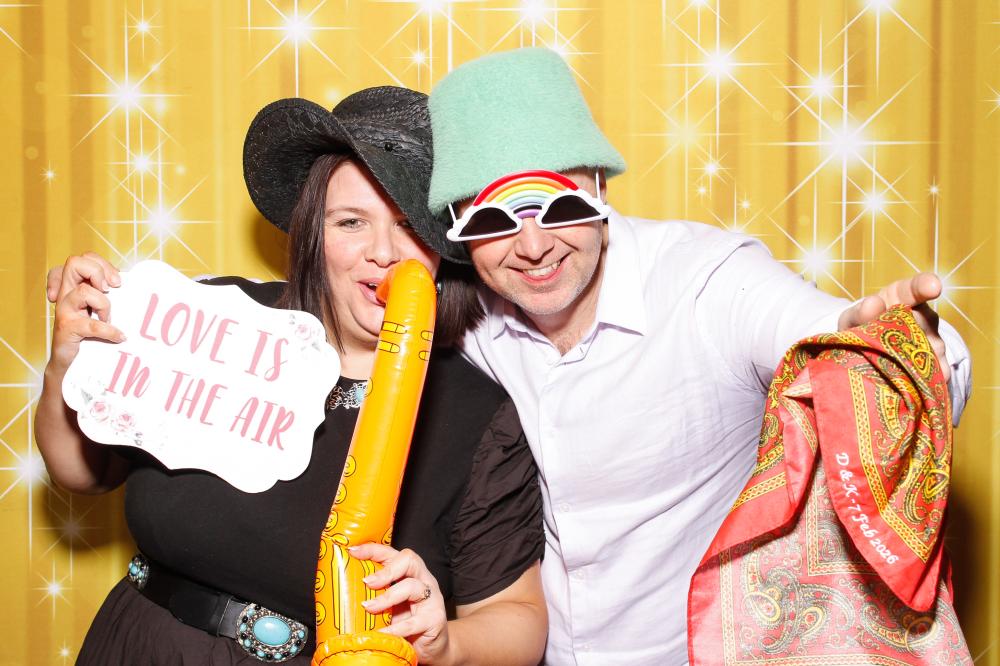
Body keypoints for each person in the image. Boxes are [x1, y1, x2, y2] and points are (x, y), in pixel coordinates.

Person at [422, 48, 973, 664]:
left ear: (599, 187)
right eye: (492, 221)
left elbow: (826, 333)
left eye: (561, 207)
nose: (532, 246)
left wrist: (901, 349)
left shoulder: (708, 283)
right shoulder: (471, 320)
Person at [35, 87, 547, 665]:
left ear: (440, 251)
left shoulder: (475, 414)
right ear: (312, 234)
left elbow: (520, 619)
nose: (383, 253)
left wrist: (447, 644)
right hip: (142, 646)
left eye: (409, 226)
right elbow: (82, 473)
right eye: (351, 221)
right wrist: (66, 365)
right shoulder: (216, 319)